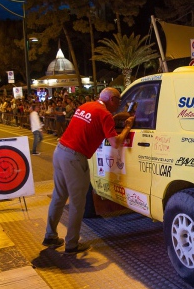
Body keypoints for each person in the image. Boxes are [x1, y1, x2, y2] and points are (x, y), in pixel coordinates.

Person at [42, 87, 135, 254]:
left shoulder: (86, 106)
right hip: (74, 158)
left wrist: (117, 117)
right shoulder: (104, 114)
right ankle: (72, 244)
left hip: (60, 151)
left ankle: (50, 235)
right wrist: (127, 127)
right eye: (119, 101)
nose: (120, 104)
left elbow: (96, 121)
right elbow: (115, 143)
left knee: (59, 196)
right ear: (112, 100)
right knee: (78, 203)